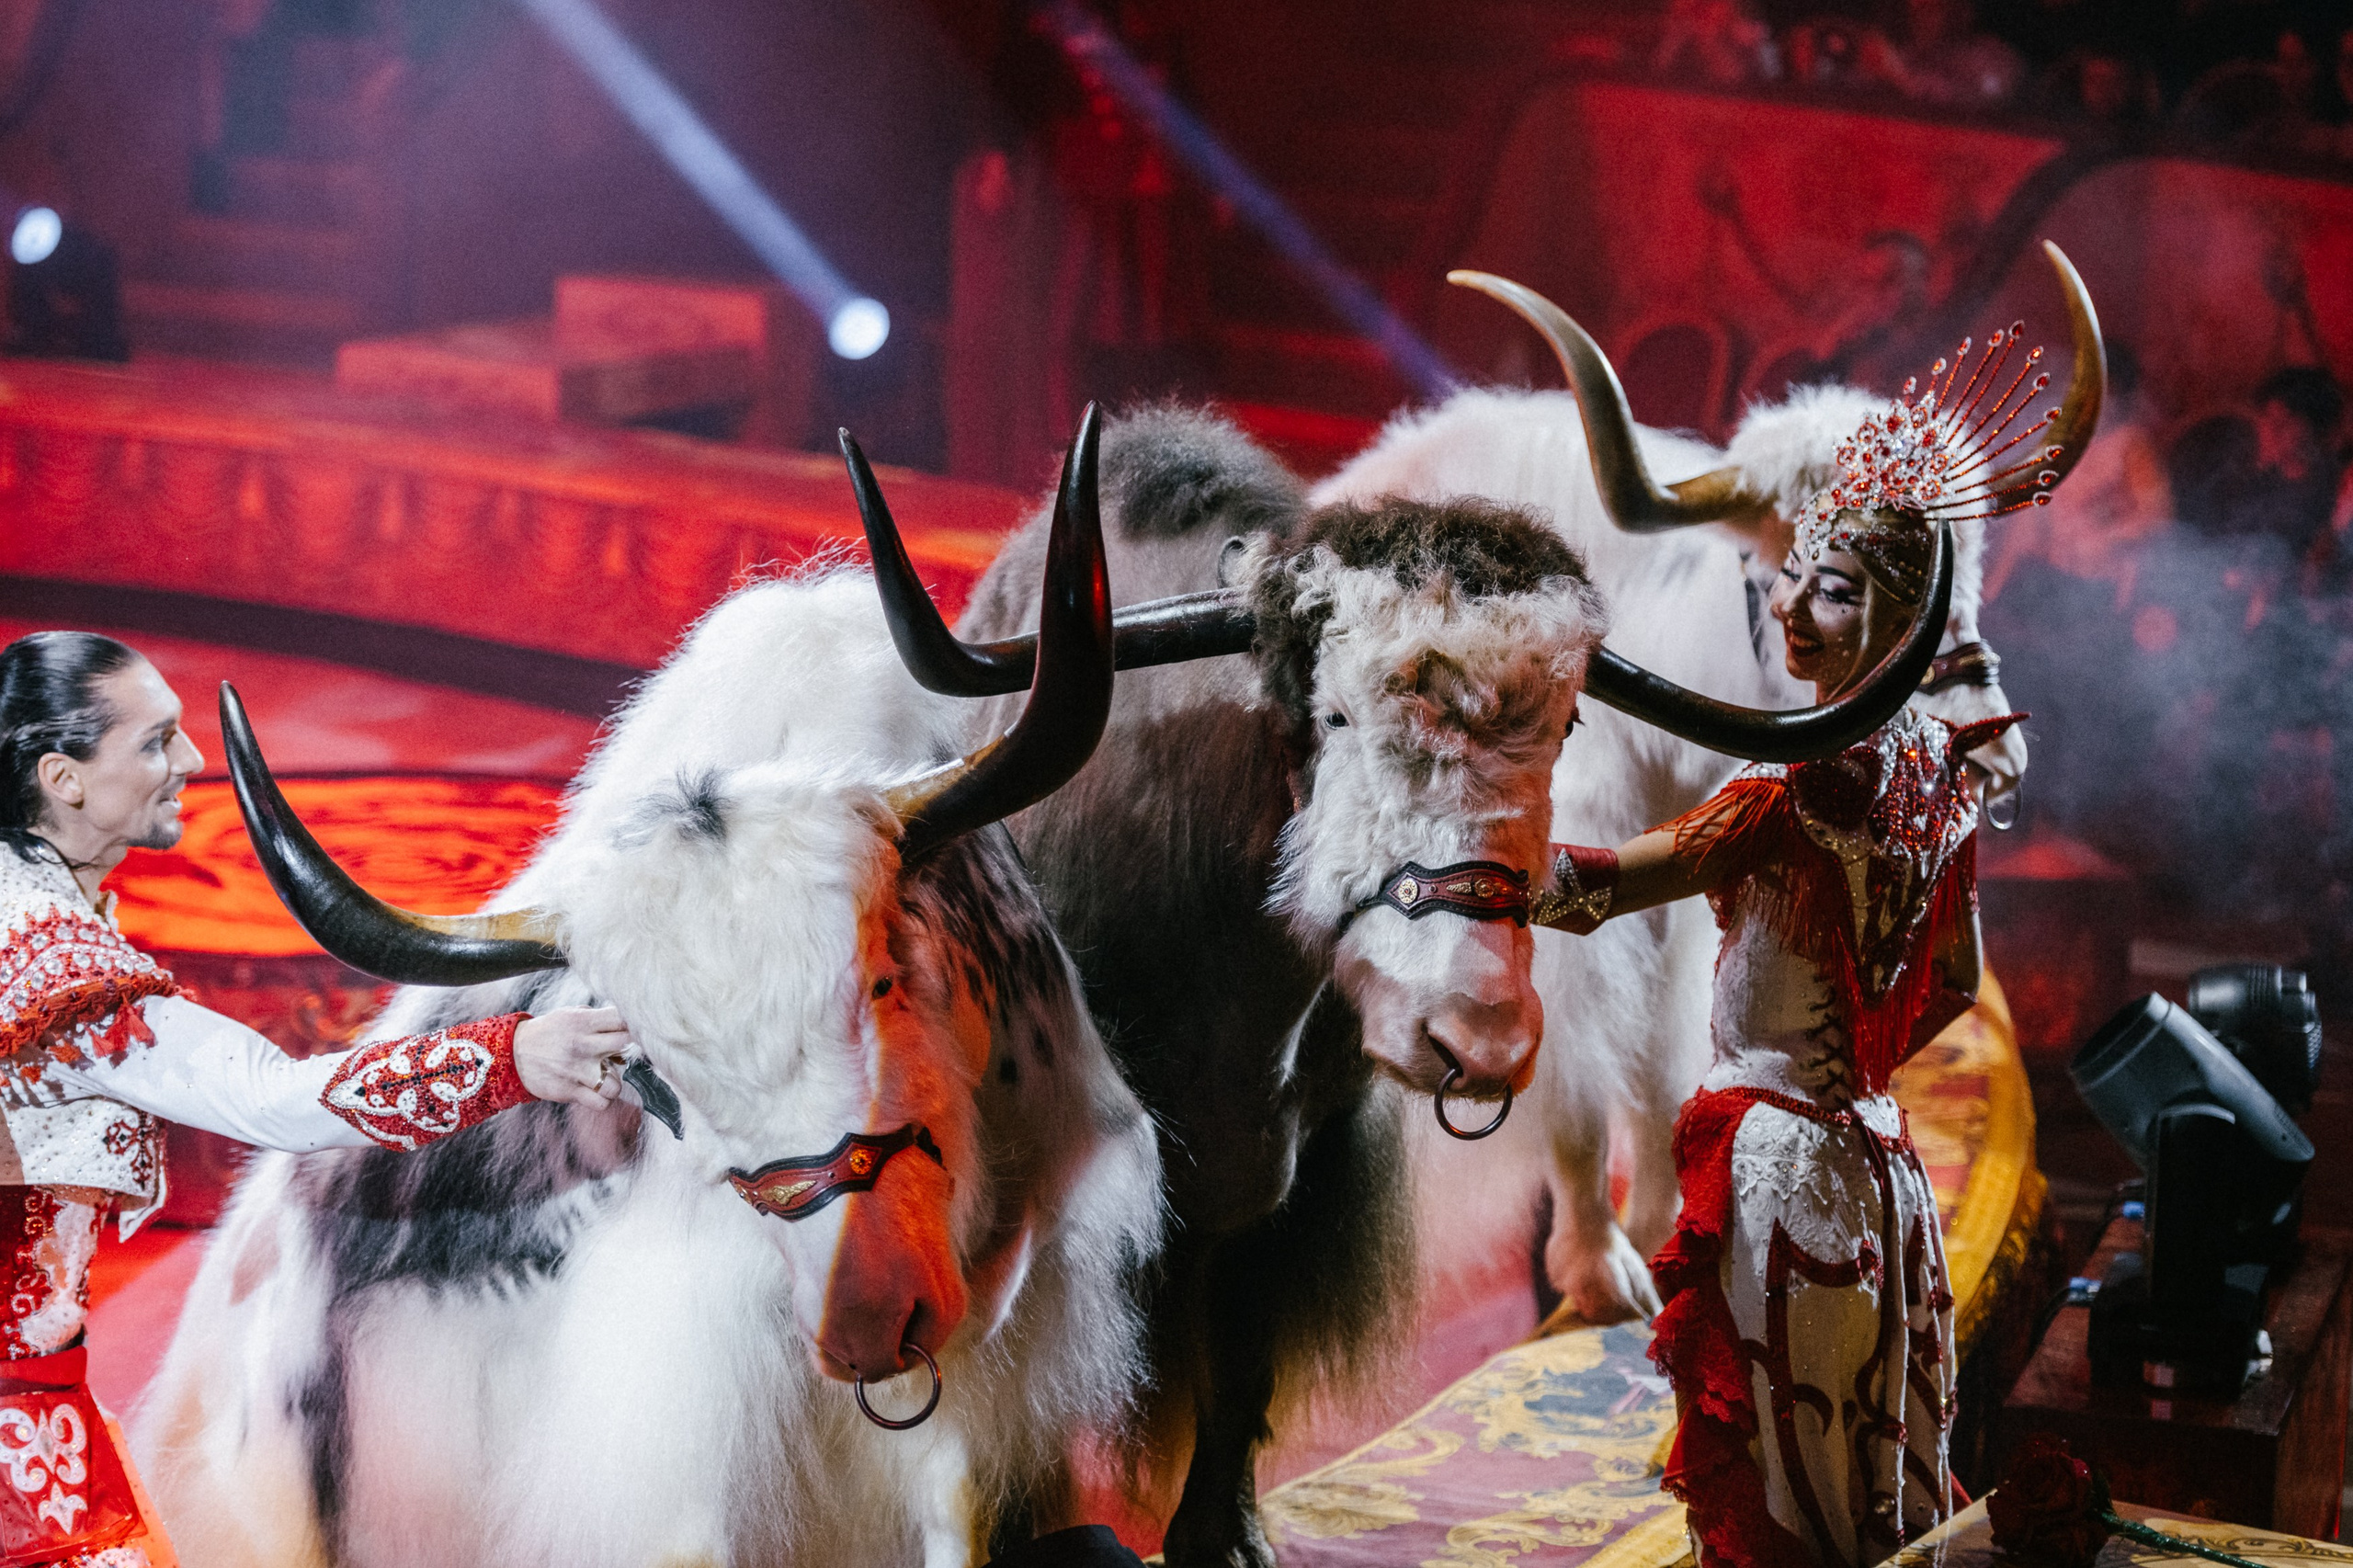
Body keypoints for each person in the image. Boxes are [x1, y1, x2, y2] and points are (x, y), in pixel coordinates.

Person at [1529, 337, 2071, 1564]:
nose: (1781, 602)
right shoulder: (1938, 787)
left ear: (1882, 610)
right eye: (1790, 579)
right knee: (1873, 1465)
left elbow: (1597, 888)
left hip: (1775, 1171)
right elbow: (1951, 981)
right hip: (1882, 1168)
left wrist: (1473, 866)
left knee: (1784, 1490)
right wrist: (1850, 1072)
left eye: (1819, 586)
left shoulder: (1781, 787)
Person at [0, 630, 626, 1566]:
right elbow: (272, 1101)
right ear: (65, 777)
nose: (190, 761)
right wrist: (512, 1053)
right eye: (154, 741)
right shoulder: (50, 961)